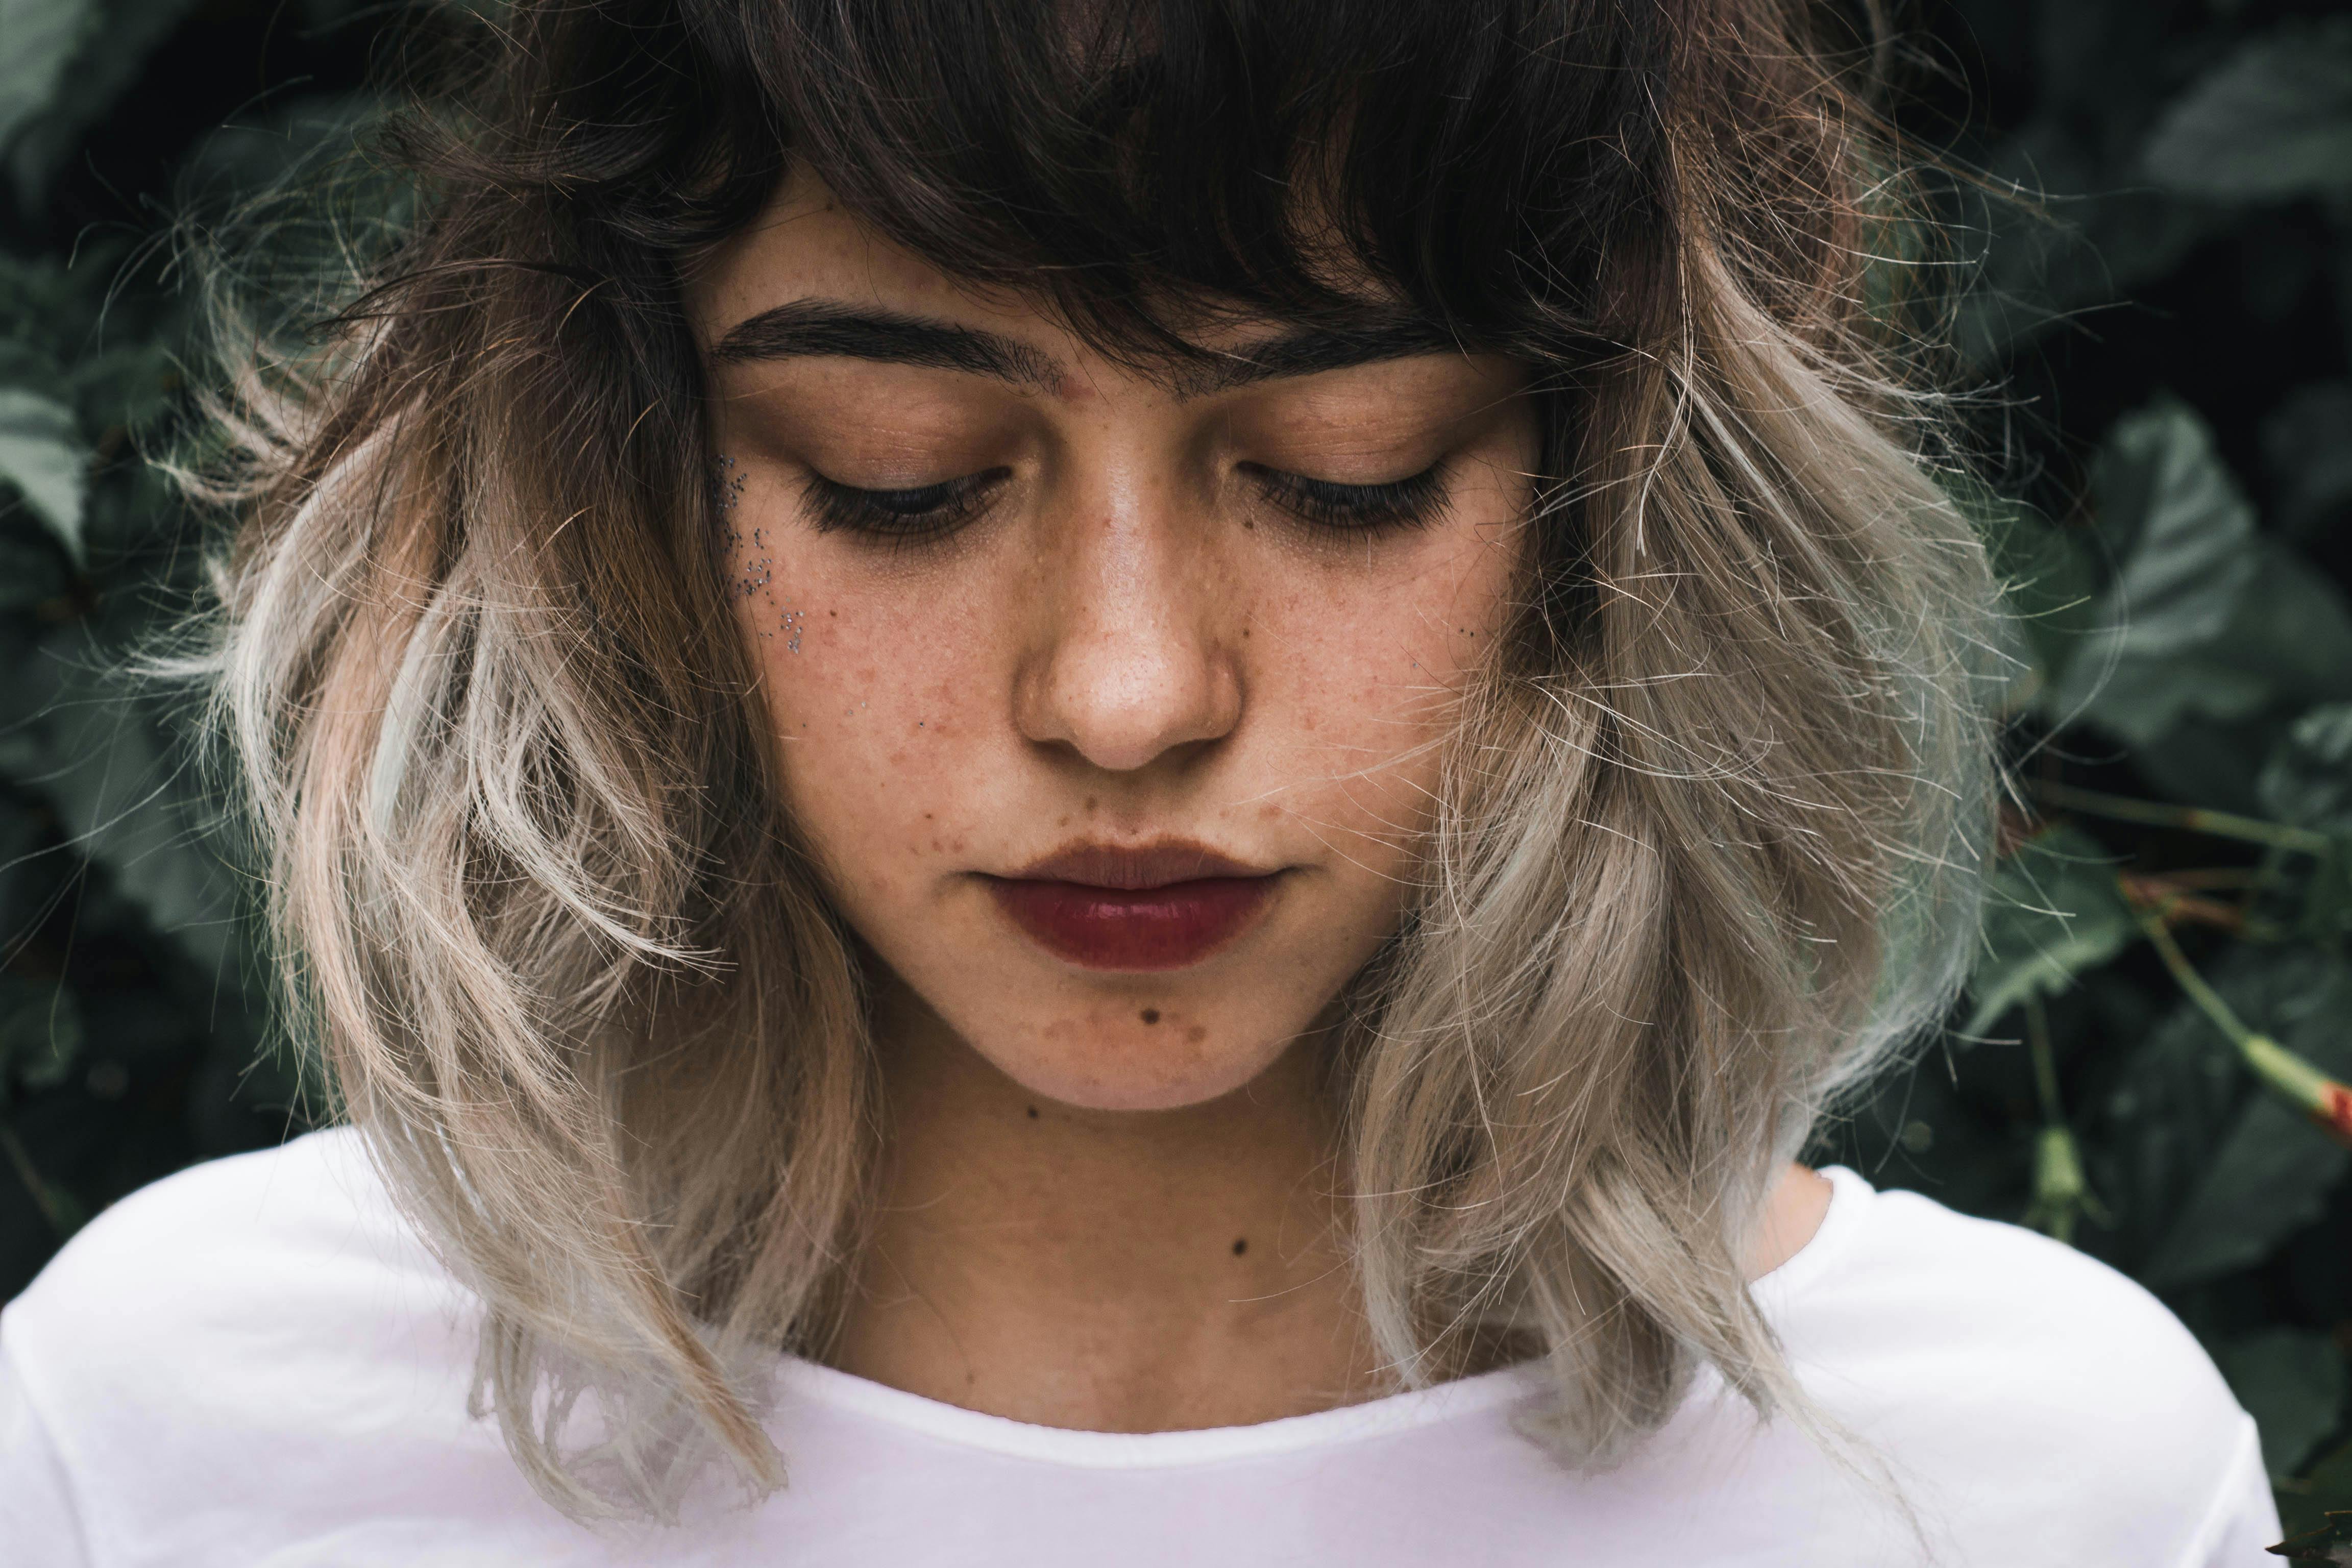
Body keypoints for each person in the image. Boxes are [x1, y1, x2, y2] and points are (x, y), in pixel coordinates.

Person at [0, 0, 2281, 1562]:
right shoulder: (180, 1432)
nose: (1124, 693)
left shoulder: (2021, 1486)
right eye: (901, 479)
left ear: (1617, 498)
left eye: (1342, 474)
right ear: (636, 486)